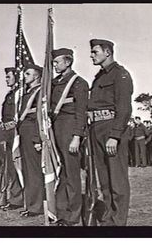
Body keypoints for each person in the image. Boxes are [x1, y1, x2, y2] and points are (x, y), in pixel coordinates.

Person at [88, 39, 133, 226]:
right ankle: (108, 218)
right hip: (96, 129)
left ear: (107, 52)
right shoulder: (99, 77)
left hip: (111, 129)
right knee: (104, 179)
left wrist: (115, 135)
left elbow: (124, 108)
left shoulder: (120, 75)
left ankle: (118, 221)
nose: (91, 55)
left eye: (95, 51)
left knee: (117, 179)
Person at [51, 48, 89, 226]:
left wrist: (76, 136)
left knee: (72, 175)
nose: (55, 65)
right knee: (61, 173)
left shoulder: (78, 83)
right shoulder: (53, 83)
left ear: (68, 62)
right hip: (56, 130)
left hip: (69, 131)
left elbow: (81, 112)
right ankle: (61, 212)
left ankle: (73, 217)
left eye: (57, 62)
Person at [18, 63, 44, 217]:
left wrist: (36, 139)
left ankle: (36, 206)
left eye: (28, 74)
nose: (24, 76)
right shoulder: (28, 93)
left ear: (36, 76)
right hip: (24, 134)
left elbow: (38, 117)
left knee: (34, 171)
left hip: (32, 134)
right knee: (27, 171)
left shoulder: (39, 92)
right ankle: (31, 203)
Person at [0, 67, 24, 210]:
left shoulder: (20, 94)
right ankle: (15, 198)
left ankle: (21, 198)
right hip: (9, 134)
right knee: (10, 168)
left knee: (19, 166)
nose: (6, 79)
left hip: (17, 134)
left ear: (17, 77)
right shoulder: (10, 94)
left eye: (9, 77)